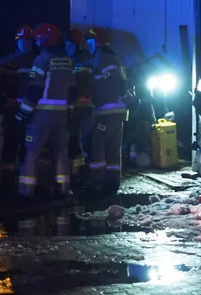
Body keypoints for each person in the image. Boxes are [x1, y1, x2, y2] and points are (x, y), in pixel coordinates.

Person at [16, 23, 76, 200]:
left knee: (32, 152)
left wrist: (22, 114)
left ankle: (25, 192)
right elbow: (73, 90)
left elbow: (34, 90)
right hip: (62, 115)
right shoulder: (67, 61)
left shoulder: (41, 60)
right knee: (60, 152)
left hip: (42, 114)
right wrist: (69, 111)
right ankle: (63, 190)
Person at [85, 26, 129, 195]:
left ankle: (96, 182)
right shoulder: (111, 56)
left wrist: (126, 98)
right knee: (112, 146)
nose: (86, 44)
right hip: (116, 111)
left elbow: (116, 82)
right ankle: (112, 181)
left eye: (88, 41)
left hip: (108, 110)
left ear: (96, 42)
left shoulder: (102, 58)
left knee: (95, 141)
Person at [0, 25, 37, 187]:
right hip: (11, 110)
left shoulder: (38, 61)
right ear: (17, 42)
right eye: (22, 40)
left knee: (28, 143)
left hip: (32, 111)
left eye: (28, 41)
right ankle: (7, 175)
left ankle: (24, 173)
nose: (25, 44)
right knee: (10, 142)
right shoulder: (6, 61)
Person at [66, 29, 93, 182]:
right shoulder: (66, 60)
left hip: (86, 109)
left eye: (70, 45)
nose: (67, 48)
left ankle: (88, 172)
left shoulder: (88, 60)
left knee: (88, 140)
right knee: (72, 140)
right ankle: (75, 173)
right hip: (71, 109)